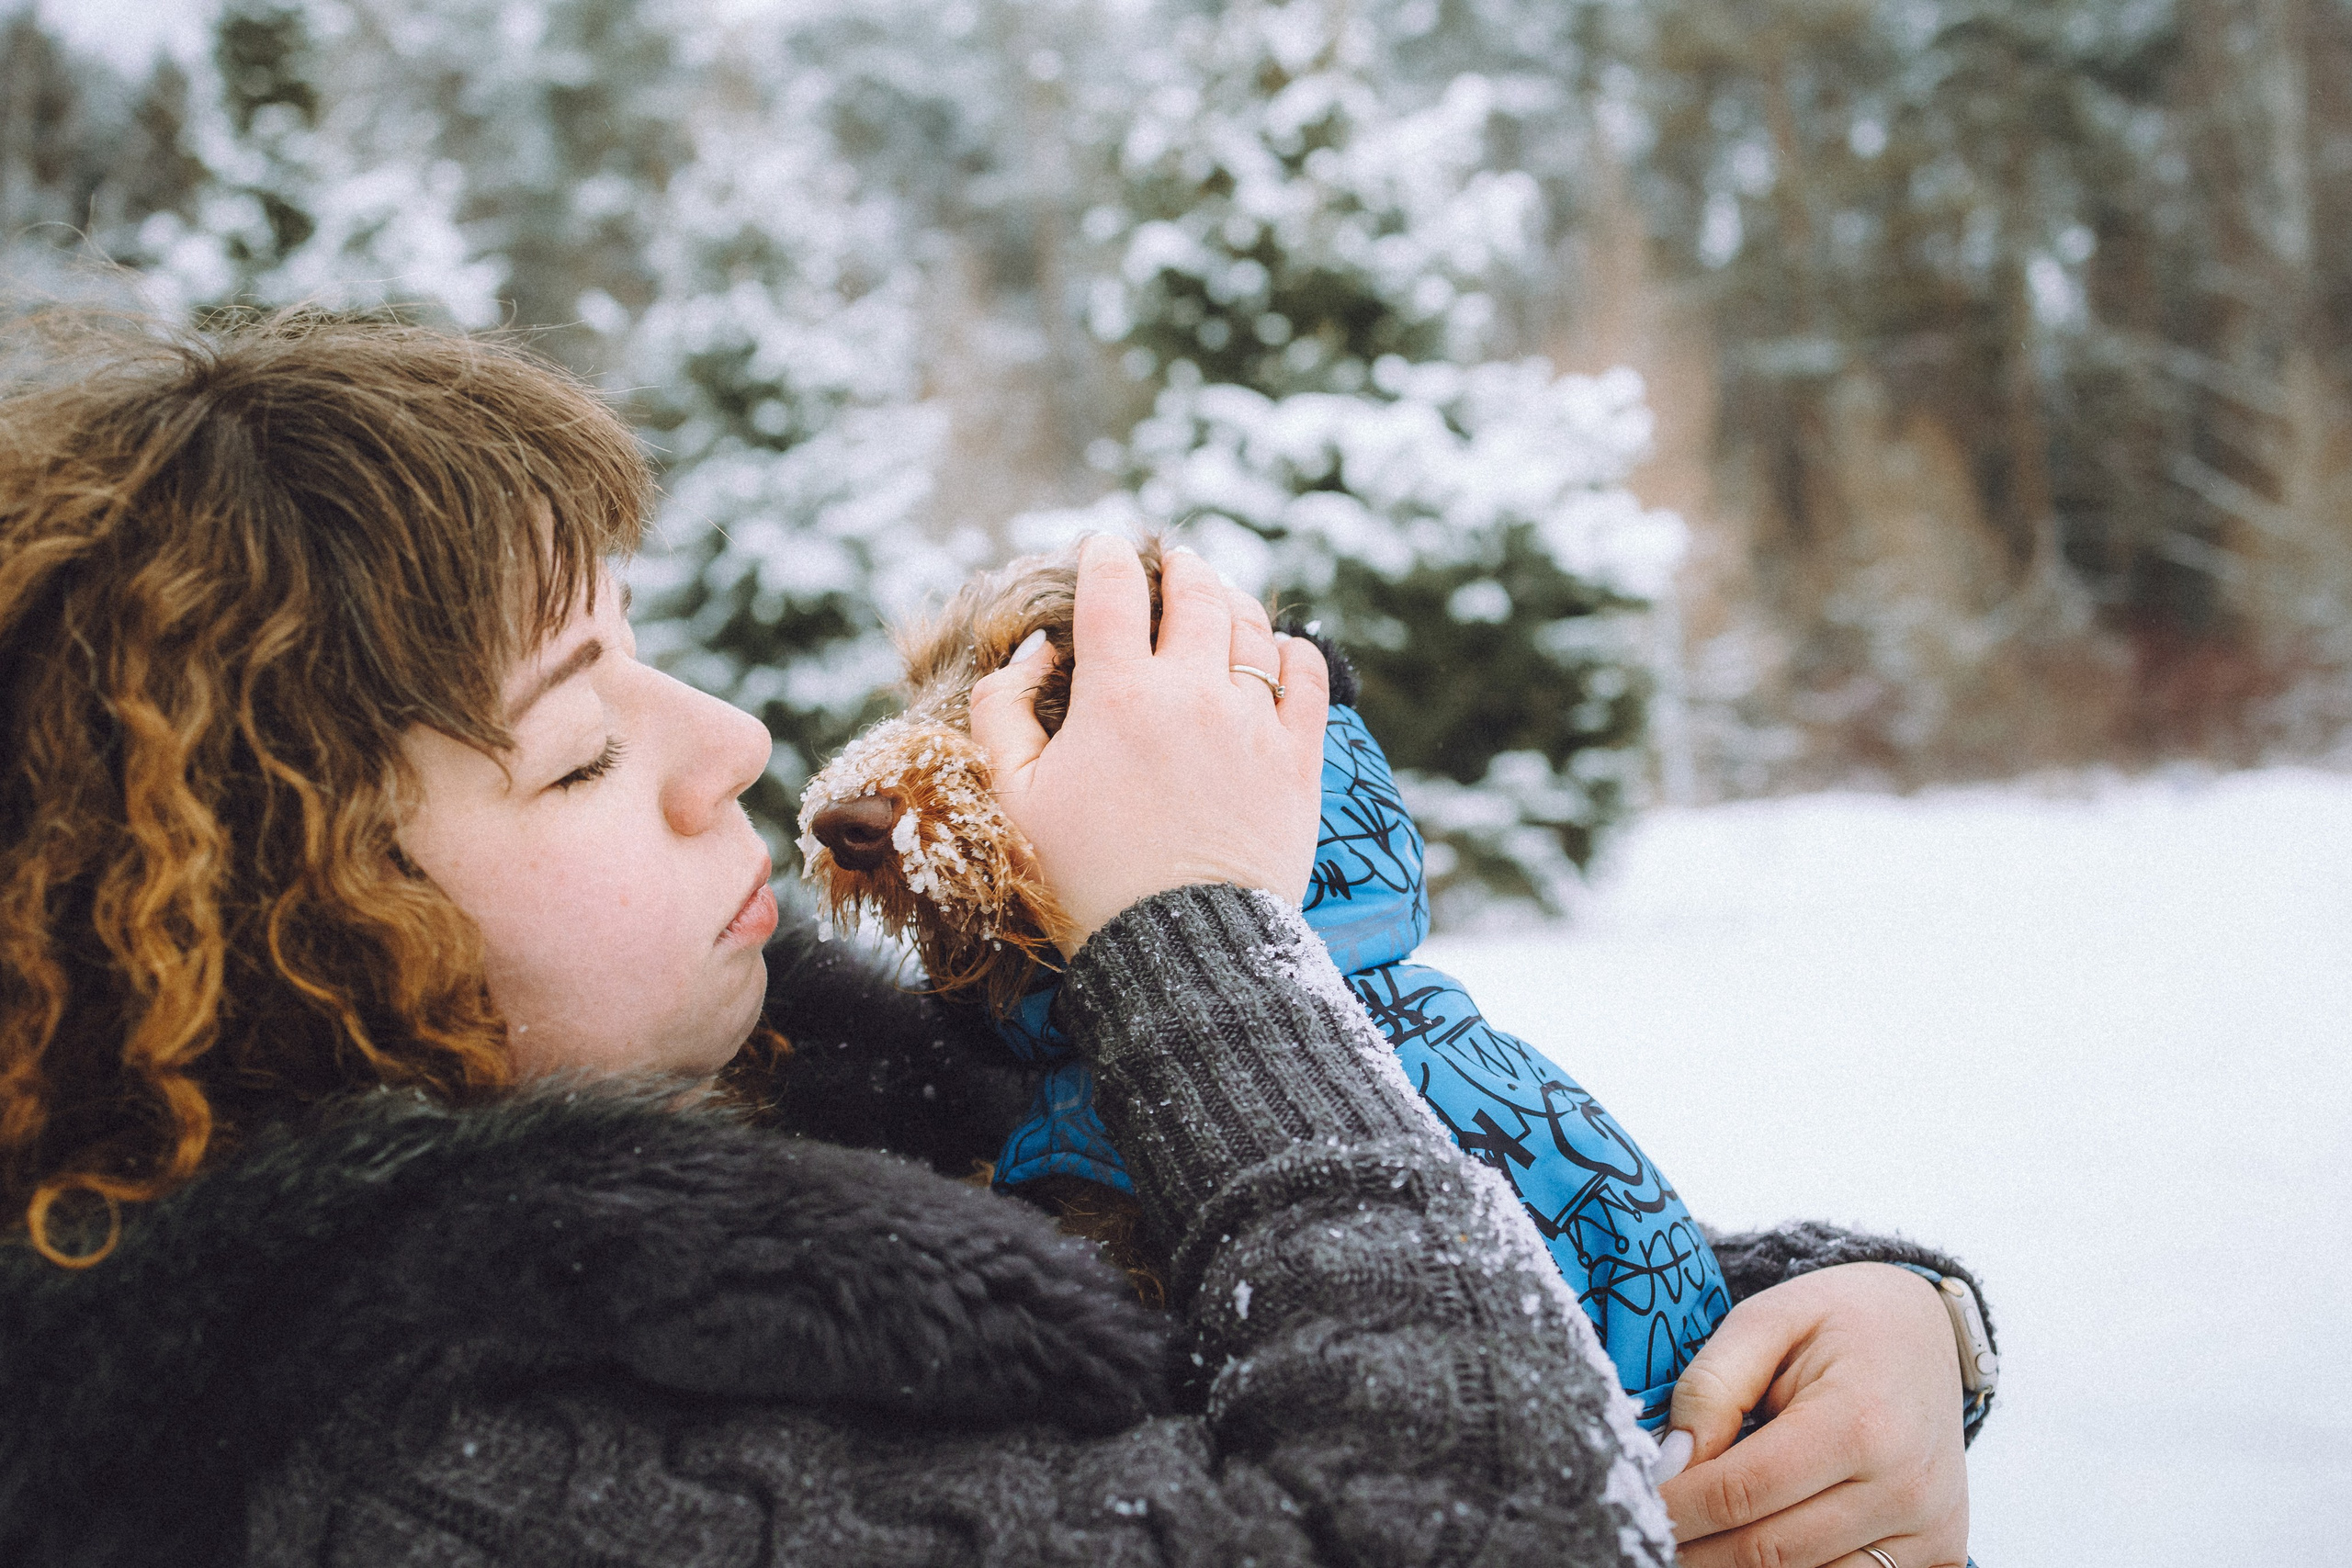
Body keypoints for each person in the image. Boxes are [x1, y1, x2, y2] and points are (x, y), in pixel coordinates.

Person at [0, 310, 1986, 1568]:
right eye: (584, 743)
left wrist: (1873, 1319)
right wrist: (1199, 939)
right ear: (292, 943)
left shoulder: (792, 1089)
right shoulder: (424, 1474)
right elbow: (1475, 1515)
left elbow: (1365, 1280)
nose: (734, 746)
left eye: (648, 651)